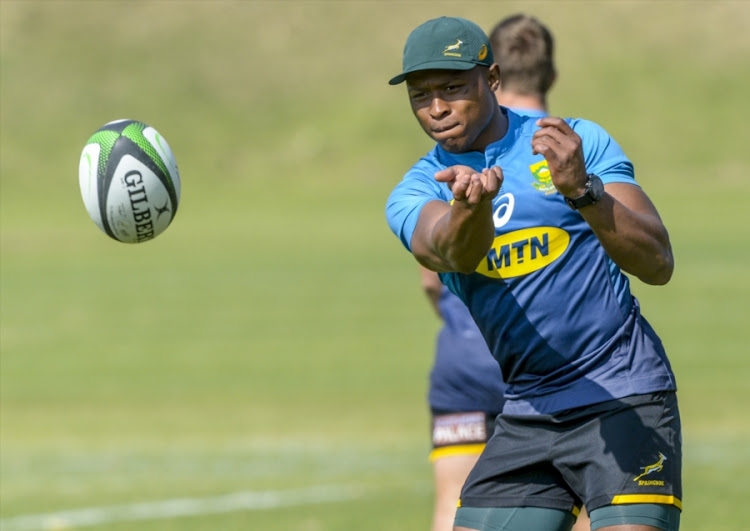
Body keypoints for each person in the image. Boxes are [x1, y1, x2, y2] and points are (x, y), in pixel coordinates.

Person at [386, 15, 681, 531]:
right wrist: (470, 208)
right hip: (526, 411)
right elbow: (449, 254)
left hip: (622, 394)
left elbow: (657, 263)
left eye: (453, 88)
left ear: (493, 79)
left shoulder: (575, 141)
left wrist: (581, 189)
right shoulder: (418, 189)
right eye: (420, 95)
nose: (436, 109)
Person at [421, 13, 585, 531]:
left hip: (466, 360)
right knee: (589, 499)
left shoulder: (455, 157)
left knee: (455, 505)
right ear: (551, 76)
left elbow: (432, 275)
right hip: (561, 364)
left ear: (490, 76)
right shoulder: (569, 151)